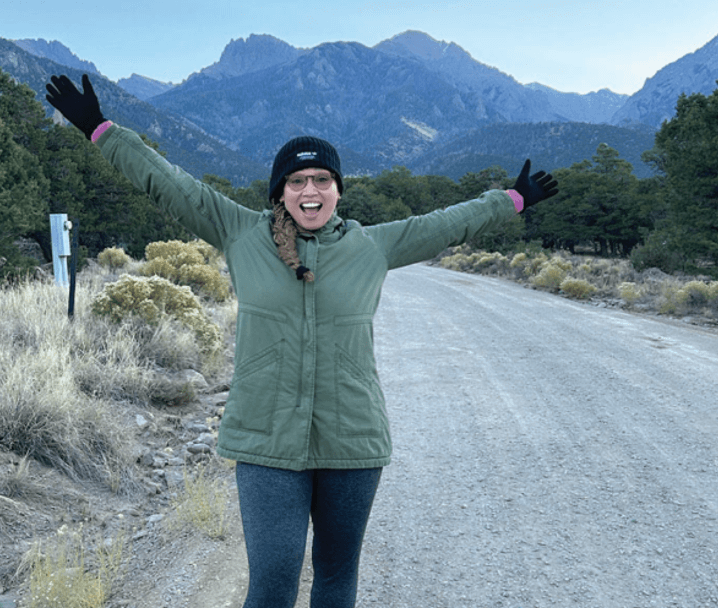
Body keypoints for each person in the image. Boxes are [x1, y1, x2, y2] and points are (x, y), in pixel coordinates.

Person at [45, 73, 558, 608]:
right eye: (296, 180)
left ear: (338, 189)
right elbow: (169, 183)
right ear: (278, 191)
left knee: (336, 578)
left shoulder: (371, 247)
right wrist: (100, 130)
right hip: (266, 442)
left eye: (321, 179)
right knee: (272, 583)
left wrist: (512, 199)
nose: (309, 190)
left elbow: (449, 223)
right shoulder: (240, 233)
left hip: (353, 441)